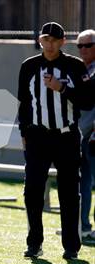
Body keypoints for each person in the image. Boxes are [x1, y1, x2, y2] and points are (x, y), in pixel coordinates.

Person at [18, 22, 93, 260]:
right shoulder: (29, 66)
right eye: (45, 39)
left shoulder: (75, 66)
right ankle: (34, 243)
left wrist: (61, 88)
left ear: (62, 42)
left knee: (70, 193)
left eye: (53, 40)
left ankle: (71, 246)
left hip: (66, 136)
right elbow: (24, 103)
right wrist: (24, 133)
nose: (48, 44)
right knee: (32, 191)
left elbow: (88, 101)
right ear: (40, 41)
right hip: (38, 136)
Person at [76, 29, 95, 238]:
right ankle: (82, 226)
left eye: (88, 45)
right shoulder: (83, 69)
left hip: (93, 136)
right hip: (81, 136)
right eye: (80, 46)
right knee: (82, 183)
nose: (83, 50)